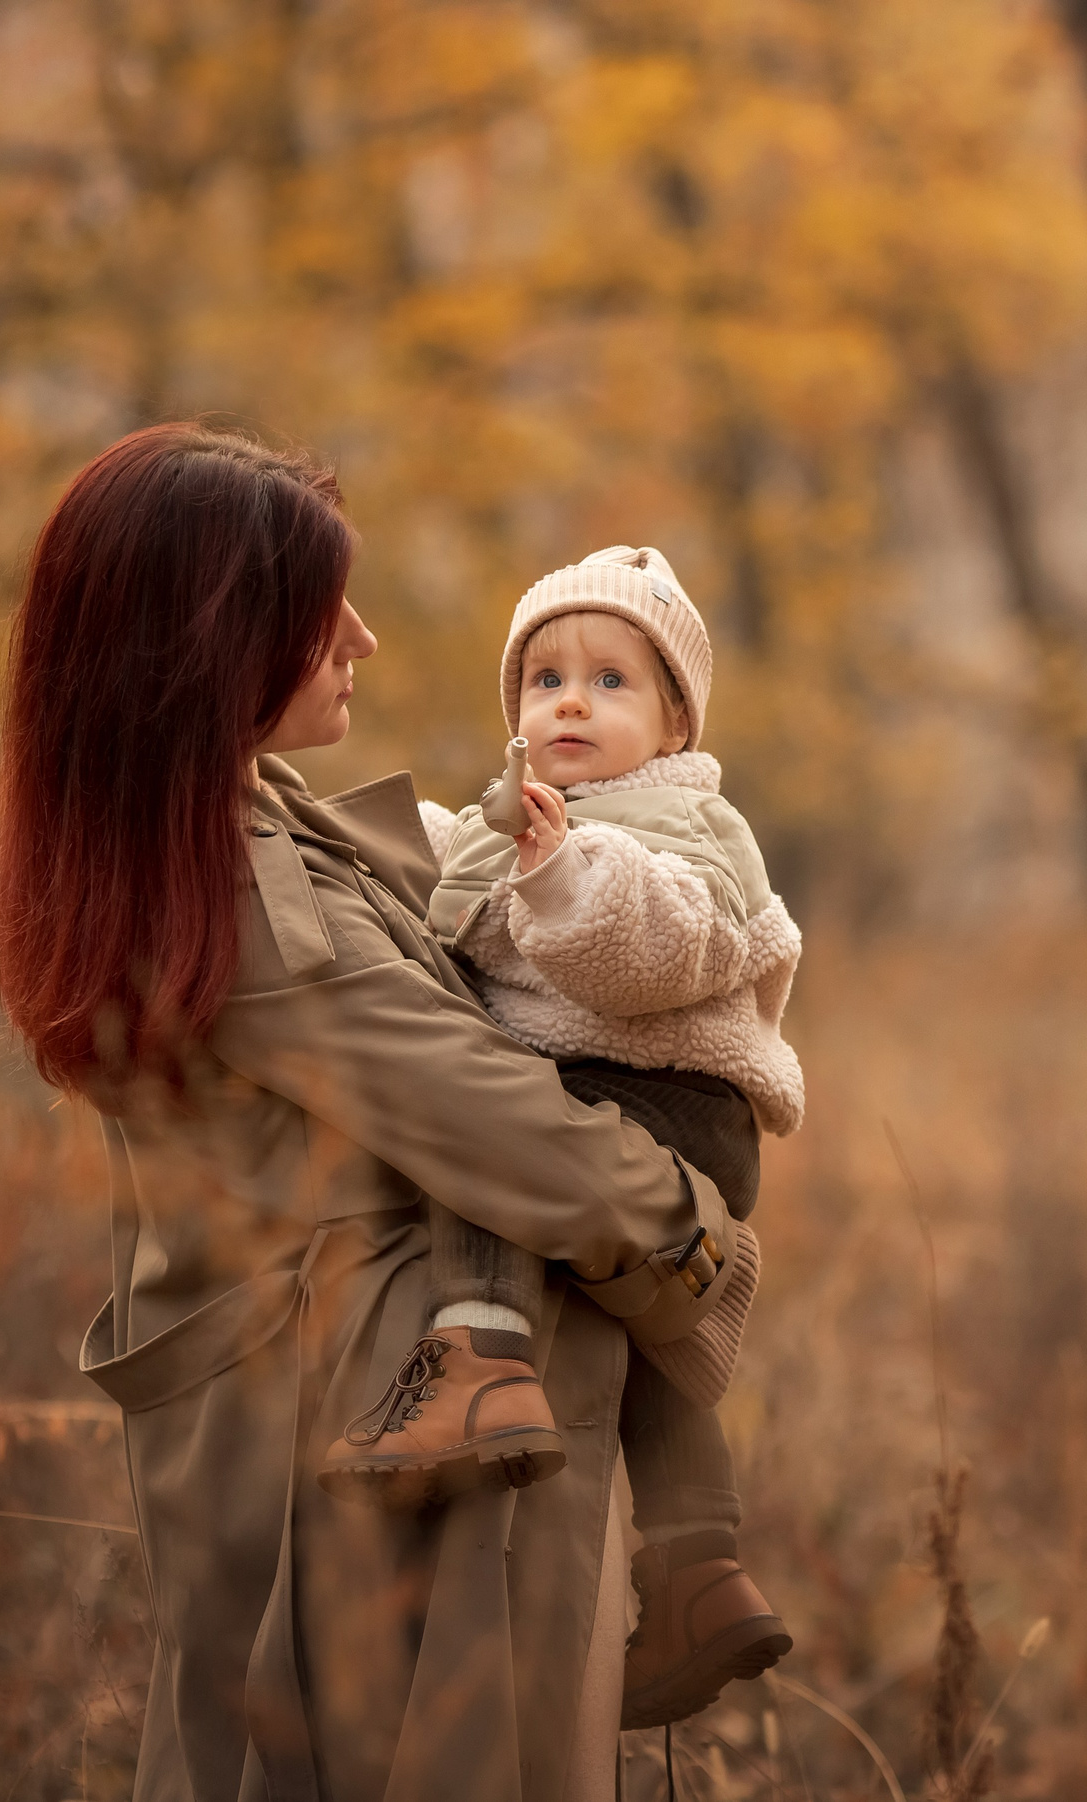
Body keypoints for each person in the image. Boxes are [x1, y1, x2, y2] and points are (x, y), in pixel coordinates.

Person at [0, 422, 748, 1801]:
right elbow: (493, 1115)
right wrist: (699, 1236)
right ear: (209, 643)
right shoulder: (229, 897)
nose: (364, 637)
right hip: (386, 1476)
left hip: (393, 1436)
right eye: (313, 606)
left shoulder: (247, 827)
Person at [317, 545, 804, 1730]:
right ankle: (699, 1564)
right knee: (649, 1350)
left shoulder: (688, 827)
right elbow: (424, 856)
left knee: (491, 1150)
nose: (570, 701)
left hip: (667, 1096)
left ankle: (475, 1358)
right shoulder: (531, 819)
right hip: (628, 1094)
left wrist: (563, 869)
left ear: (676, 720)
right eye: (544, 679)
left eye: (610, 680)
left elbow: (650, 957)